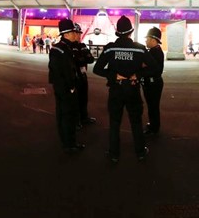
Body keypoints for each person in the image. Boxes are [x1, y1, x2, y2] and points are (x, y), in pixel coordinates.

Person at [93, 15, 157, 164]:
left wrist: (114, 75)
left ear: (118, 32)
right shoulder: (140, 49)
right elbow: (155, 68)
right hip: (133, 90)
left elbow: (97, 69)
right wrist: (137, 75)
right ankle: (140, 152)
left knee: (115, 122)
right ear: (130, 32)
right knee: (136, 121)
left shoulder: (110, 48)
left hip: (116, 90)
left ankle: (114, 154)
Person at [48, 18, 85, 154]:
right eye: (72, 32)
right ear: (66, 34)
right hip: (66, 88)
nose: (74, 34)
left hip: (59, 87)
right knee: (68, 115)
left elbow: (53, 69)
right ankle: (70, 144)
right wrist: (71, 86)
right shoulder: (65, 49)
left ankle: (66, 141)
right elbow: (67, 70)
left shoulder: (57, 48)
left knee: (62, 114)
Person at [68, 23, 96, 129]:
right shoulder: (68, 47)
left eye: (79, 33)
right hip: (73, 77)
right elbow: (73, 61)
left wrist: (80, 59)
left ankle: (84, 117)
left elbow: (90, 59)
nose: (78, 36)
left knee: (84, 98)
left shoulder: (82, 46)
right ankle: (76, 120)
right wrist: (81, 59)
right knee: (74, 100)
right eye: (76, 33)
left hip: (83, 76)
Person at [142, 27, 164, 137]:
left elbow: (153, 69)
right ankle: (153, 125)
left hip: (153, 83)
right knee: (151, 106)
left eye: (147, 39)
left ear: (153, 40)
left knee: (153, 106)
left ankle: (154, 128)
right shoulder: (153, 51)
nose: (145, 41)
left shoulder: (155, 53)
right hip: (151, 82)